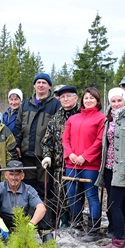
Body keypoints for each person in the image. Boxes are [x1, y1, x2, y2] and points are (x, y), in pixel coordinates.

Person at [95, 87, 125, 248]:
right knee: (112, 205)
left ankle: (120, 243)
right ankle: (115, 239)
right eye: (113, 101)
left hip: (123, 170)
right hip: (109, 168)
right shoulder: (110, 120)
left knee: (115, 205)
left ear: (124, 100)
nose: (116, 104)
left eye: (119, 100)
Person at [61, 87, 105, 242]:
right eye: (86, 98)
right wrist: (71, 154)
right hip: (71, 163)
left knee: (91, 195)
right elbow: (65, 139)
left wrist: (85, 157)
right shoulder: (73, 119)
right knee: (72, 195)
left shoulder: (101, 118)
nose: (88, 100)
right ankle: (77, 224)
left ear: (97, 101)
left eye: (92, 98)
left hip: (90, 164)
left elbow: (100, 141)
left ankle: (93, 230)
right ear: (82, 100)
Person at [13, 72, 61, 203]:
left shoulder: (55, 105)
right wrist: (17, 145)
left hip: (44, 155)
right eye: (38, 82)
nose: (41, 85)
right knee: (28, 187)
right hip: (27, 153)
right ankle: (29, 215)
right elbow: (18, 126)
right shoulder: (26, 104)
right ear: (34, 85)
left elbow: (58, 130)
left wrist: (51, 151)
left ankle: (45, 218)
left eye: (44, 83)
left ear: (49, 86)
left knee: (44, 187)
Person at [41, 85, 81, 231]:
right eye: (62, 97)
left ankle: (78, 222)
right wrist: (47, 156)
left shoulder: (83, 115)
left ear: (76, 98)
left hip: (79, 164)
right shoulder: (55, 118)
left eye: (68, 96)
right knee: (60, 194)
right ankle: (64, 221)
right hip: (60, 165)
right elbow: (47, 141)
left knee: (78, 194)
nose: (65, 99)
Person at [0, 160, 47, 241]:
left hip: (22, 222)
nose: (14, 178)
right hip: (3, 221)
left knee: (42, 215)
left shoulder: (29, 189)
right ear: (6, 175)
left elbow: (41, 208)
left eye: (17, 174)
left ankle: (49, 243)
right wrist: (0, 222)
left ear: (22, 176)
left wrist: (30, 226)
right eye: (11, 174)